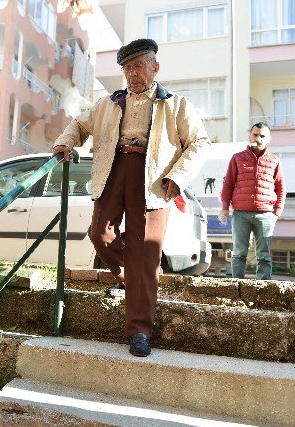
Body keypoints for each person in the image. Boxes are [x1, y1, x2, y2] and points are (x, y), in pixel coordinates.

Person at [52, 38, 210, 357]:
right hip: (114, 167)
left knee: (146, 253)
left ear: (156, 67)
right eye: (127, 68)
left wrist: (177, 176)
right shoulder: (108, 103)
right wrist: (64, 144)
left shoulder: (176, 105)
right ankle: (129, 275)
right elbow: (79, 126)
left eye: (139, 66)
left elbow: (199, 143)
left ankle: (140, 330)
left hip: (153, 178)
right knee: (99, 234)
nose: (133, 73)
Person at [219, 122, 285, 280]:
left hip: (266, 215)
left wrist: (276, 213)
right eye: (255, 135)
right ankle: (237, 288)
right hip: (241, 214)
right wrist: (225, 208)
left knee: (264, 255)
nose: (259, 138)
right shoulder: (237, 158)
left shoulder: (274, 161)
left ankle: (263, 290)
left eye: (263, 136)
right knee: (239, 253)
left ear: (268, 139)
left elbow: (281, 188)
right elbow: (228, 184)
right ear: (250, 135)